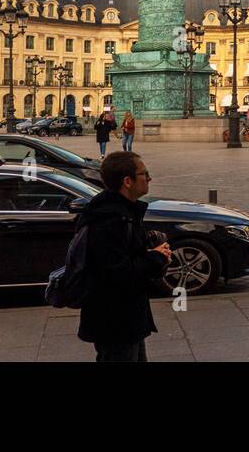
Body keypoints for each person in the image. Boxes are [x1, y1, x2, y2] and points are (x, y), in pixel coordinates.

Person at [77, 151, 173, 362]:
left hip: (127, 317)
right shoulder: (110, 220)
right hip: (116, 320)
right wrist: (156, 258)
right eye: (144, 173)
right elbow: (118, 272)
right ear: (127, 181)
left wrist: (148, 250)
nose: (149, 178)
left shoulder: (122, 212)